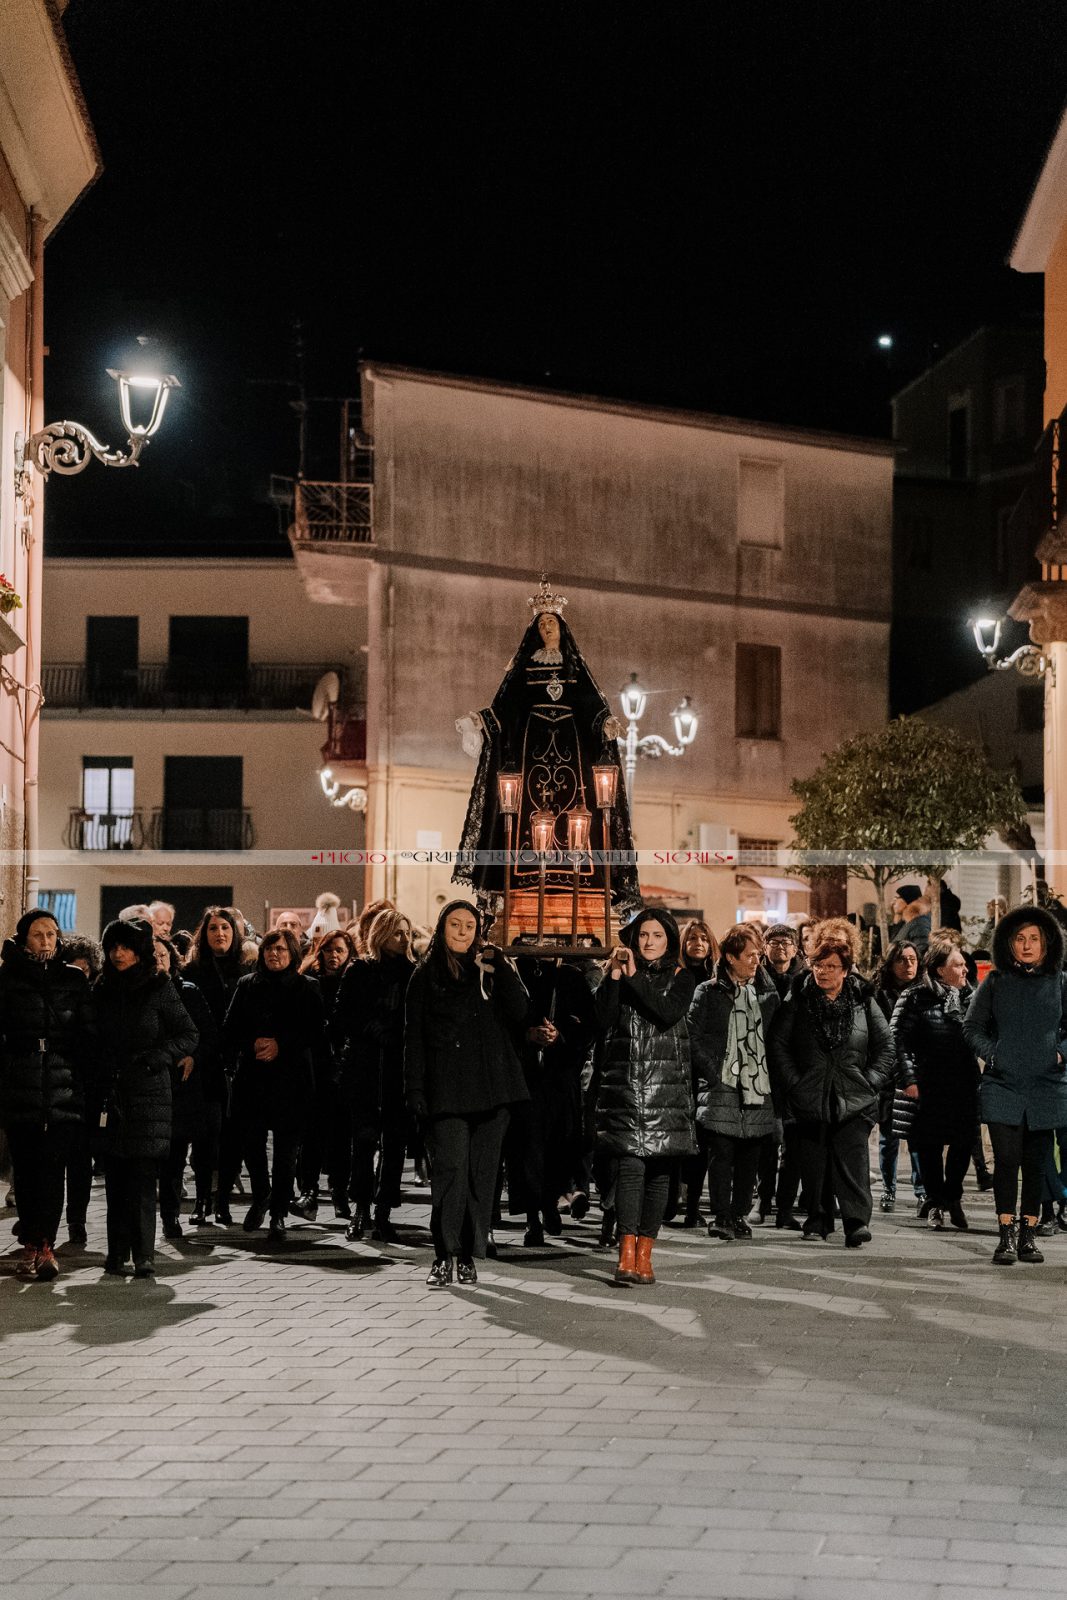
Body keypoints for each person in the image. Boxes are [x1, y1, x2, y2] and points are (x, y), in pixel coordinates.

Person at [452, 592, 639, 917]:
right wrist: (478, 720)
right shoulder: (525, 669)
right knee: (527, 816)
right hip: (532, 756)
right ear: (535, 630)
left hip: (572, 757)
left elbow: (590, 705)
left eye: (553, 623)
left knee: (578, 817)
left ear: (561, 629)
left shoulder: (575, 667)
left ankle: (581, 886)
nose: (548, 628)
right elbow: (506, 708)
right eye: (543, 624)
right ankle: (523, 885)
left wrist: (606, 722)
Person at [404, 901, 529, 1287]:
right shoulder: (424, 977)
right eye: (455, 924)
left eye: (470, 925)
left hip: (492, 1091)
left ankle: (470, 1255)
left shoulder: (489, 970)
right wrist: (415, 1090)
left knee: (481, 1176)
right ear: (442, 928)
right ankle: (444, 1254)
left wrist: (504, 971)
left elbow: (521, 1011)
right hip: (447, 1091)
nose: (462, 931)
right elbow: (414, 1039)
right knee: (451, 1170)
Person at [769, 919, 895, 1247]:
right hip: (809, 1095)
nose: (823, 972)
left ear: (845, 970)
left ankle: (855, 1223)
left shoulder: (862, 999)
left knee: (852, 1160)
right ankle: (817, 1217)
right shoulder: (798, 997)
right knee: (815, 1163)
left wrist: (871, 1082)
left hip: (854, 1095)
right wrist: (795, 1083)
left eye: (831, 966)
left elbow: (885, 1046)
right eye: (818, 965)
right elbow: (779, 1044)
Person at [594, 907, 696, 1286]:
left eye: (656, 935)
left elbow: (665, 1011)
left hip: (666, 1089)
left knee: (659, 1173)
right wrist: (614, 976)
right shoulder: (622, 974)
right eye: (642, 935)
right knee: (631, 1170)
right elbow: (601, 1020)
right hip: (626, 1086)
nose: (649, 942)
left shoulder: (683, 978)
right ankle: (625, 1254)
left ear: (669, 939)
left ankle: (645, 1255)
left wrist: (634, 977)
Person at [963, 905, 1067, 1266]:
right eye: (1019, 938)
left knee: (1036, 1163)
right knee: (1006, 1159)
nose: (1026, 945)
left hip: (1045, 1084)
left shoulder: (1061, 982)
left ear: (1046, 943)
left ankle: (1029, 1235)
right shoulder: (994, 982)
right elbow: (971, 1026)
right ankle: (1005, 1234)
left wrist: (1060, 1055)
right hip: (1002, 1083)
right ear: (1008, 944)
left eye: (1033, 939)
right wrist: (994, 1056)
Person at [93, 918, 197, 1278]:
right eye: (113, 947)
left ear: (139, 951)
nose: (118, 953)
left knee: (141, 1176)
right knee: (115, 1178)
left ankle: (144, 1255)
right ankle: (116, 1252)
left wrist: (157, 1058)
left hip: (149, 1090)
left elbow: (187, 1033)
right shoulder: (102, 987)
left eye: (125, 947)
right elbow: (90, 1035)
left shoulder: (158, 986)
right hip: (112, 1092)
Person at [0, 910, 95, 1281]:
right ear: (24, 938)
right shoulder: (8, 979)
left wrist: (81, 1078)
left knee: (54, 1171)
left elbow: (87, 1033)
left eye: (52, 935)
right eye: (39, 935)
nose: (46, 941)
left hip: (63, 1086)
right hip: (21, 1085)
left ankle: (44, 1246)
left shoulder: (72, 979)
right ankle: (33, 1242)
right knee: (26, 1171)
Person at [223, 928, 330, 1240]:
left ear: (292, 953)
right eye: (270, 949)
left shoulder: (307, 987)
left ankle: (279, 1213)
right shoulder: (246, 985)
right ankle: (262, 1195)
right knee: (252, 1145)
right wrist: (253, 1042)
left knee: (286, 1151)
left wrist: (281, 1043)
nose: (274, 954)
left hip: (291, 1079)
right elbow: (230, 1029)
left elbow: (315, 1032)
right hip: (253, 1079)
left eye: (281, 949)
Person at [689, 924, 780, 1241]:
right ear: (730, 957)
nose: (757, 961)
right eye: (750, 955)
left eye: (759, 955)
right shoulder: (708, 992)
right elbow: (692, 1036)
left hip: (756, 1087)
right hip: (721, 1087)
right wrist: (714, 1072)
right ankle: (721, 1216)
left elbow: (775, 1036)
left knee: (750, 1156)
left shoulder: (765, 995)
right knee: (722, 1155)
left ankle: (739, 1215)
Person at [333, 909, 415, 1242]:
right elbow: (342, 1016)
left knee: (395, 1143)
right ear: (381, 934)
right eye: (398, 933)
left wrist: (396, 1032)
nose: (404, 939)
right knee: (364, 1141)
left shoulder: (412, 974)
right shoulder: (360, 970)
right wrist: (370, 1027)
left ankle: (383, 1210)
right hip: (365, 1067)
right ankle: (361, 1209)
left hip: (398, 1068)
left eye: (407, 933)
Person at [506, 950, 598, 1245]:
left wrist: (561, 1037)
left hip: (561, 1077)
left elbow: (590, 1027)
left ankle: (550, 1203)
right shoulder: (515, 972)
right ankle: (533, 1216)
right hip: (527, 1077)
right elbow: (503, 1021)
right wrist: (527, 1035)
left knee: (560, 1145)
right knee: (528, 1149)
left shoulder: (571, 977)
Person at [891, 938, 980, 1231]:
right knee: (928, 1146)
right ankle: (935, 1200)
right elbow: (897, 1039)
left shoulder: (971, 998)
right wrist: (908, 1079)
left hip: (963, 1084)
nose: (965, 969)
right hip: (927, 1083)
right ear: (940, 970)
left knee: (963, 1142)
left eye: (964, 964)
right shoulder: (916, 996)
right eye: (957, 964)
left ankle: (952, 1196)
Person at [182, 907, 255, 1223]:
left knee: (232, 1136)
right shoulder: (193, 972)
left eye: (225, 928)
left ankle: (222, 1199)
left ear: (234, 933)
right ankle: (202, 1200)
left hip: (240, 1065)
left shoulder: (246, 971)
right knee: (204, 1135)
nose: (220, 934)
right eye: (213, 929)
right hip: (205, 1064)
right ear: (204, 934)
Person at [155, 936, 224, 1236]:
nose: (158, 960)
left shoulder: (188, 992)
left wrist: (193, 1057)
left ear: (171, 959)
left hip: (185, 1084)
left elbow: (208, 1036)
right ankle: (166, 1215)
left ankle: (191, 1206)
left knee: (185, 1152)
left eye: (162, 955)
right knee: (164, 1156)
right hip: (154, 1081)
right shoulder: (137, 992)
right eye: (152, 955)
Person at [292, 930, 358, 1220]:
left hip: (343, 1068)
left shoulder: (355, 981)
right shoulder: (309, 982)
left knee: (342, 1134)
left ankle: (340, 1192)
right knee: (311, 1133)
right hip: (314, 1067)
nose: (334, 956)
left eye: (340, 950)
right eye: (329, 950)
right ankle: (309, 1192)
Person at [872, 940, 924, 1213]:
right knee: (888, 1137)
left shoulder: (924, 993)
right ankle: (888, 1189)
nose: (908, 965)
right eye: (902, 959)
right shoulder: (881, 996)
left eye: (913, 959)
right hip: (888, 1076)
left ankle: (921, 1190)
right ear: (891, 964)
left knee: (917, 1136)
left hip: (916, 1073)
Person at [60, 933, 104, 1243]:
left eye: (85, 969)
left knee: (80, 1159)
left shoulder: (100, 996)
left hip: (89, 1087)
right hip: (63, 1081)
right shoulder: (59, 996)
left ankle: (76, 1219)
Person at [763, 924, 805, 999]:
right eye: (774, 943)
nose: (780, 947)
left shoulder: (805, 975)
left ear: (795, 950)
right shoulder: (756, 973)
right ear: (765, 949)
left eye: (785, 943)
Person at [888, 886, 931, 952]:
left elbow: (921, 951)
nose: (893, 902)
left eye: (897, 898)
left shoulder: (919, 923)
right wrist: (896, 918)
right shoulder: (907, 921)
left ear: (907, 900)